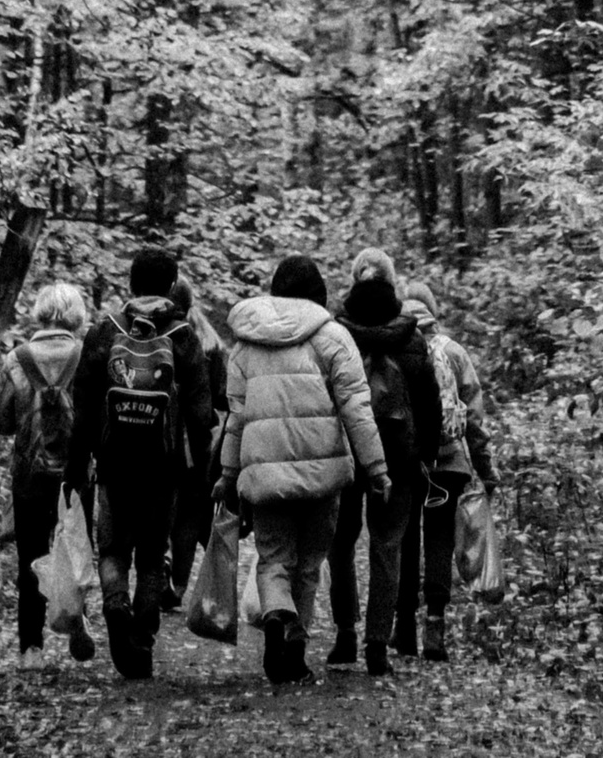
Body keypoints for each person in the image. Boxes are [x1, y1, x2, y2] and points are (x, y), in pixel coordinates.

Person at [217, 254, 388, 684]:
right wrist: (376, 467)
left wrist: (227, 473)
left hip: (264, 473)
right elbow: (356, 408)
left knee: (274, 557)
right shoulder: (333, 337)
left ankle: (278, 614)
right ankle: (295, 650)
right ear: (319, 293)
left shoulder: (245, 344)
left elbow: (235, 418)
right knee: (310, 563)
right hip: (322, 473)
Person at [65, 246, 213, 679]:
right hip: (164, 467)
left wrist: (77, 467)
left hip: (113, 463)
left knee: (113, 548)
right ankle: (143, 639)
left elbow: (84, 408)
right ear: (171, 287)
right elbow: (202, 417)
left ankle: (115, 605)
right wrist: (200, 475)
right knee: (152, 554)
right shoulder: (185, 337)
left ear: (130, 283)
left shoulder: (104, 332)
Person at [327, 246, 443, 674]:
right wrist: (426, 454)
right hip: (398, 453)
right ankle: (377, 643)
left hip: (347, 449)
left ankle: (344, 634)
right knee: (387, 545)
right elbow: (429, 403)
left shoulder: (336, 333)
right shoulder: (411, 337)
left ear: (355, 281)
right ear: (392, 283)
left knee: (340, 544)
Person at [0, 282, 98, 670]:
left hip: (29, 474)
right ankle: (76, 618)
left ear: (39, 312)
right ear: (76, 316)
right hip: (76, 473)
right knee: (76, 552)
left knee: (30, 559)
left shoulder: (18, 358)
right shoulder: (86, 356)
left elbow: (0, 421)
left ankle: (31, 649)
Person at [394, 278, 498, 663]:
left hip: (407, 462)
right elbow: (473, 418)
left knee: (405, 541)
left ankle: (402, 630)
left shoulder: (396, 348)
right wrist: (485, 472)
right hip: (449, 461)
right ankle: (435, 626)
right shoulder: (454, 351)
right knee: (439, 540)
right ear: (433, 312)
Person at [163, 275, 232, 609]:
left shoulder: (146, 337)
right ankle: (177, 586)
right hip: (196, 443)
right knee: (190, 517)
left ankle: (160, 571)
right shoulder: (210, 343)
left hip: (153, 439)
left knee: (160, 509)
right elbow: (224, 398)